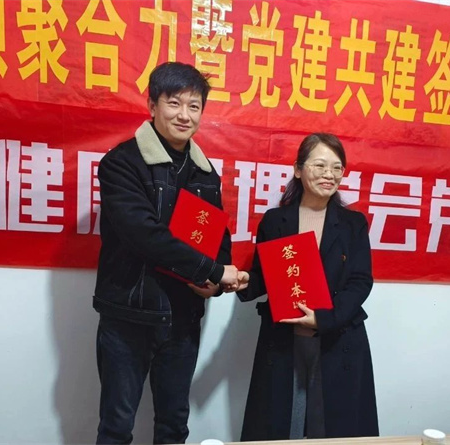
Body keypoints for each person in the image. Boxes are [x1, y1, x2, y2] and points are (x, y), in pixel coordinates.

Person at [92, 62, 243, 444]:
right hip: (129, 317)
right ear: (152, 105)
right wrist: (210, 270)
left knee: (174, 426)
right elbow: (145, 236)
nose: (184, 115)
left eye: (194, 106)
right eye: (174, 103)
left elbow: (217, 234)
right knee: (116, 427)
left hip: (182, 320)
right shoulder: (121, 163)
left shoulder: (205, 173)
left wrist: (215, 280)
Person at [236, 133, 379, 440]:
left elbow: (360, 281)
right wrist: (244, 281)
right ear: (298, 169)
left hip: (337, 338)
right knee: (281, 425)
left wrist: (324, 318)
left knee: (330, 427)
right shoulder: (275, 221)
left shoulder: (353, 224)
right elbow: (265, 275)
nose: (329, 174)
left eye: (337, 167)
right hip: (283, 340)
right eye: (320, 165)